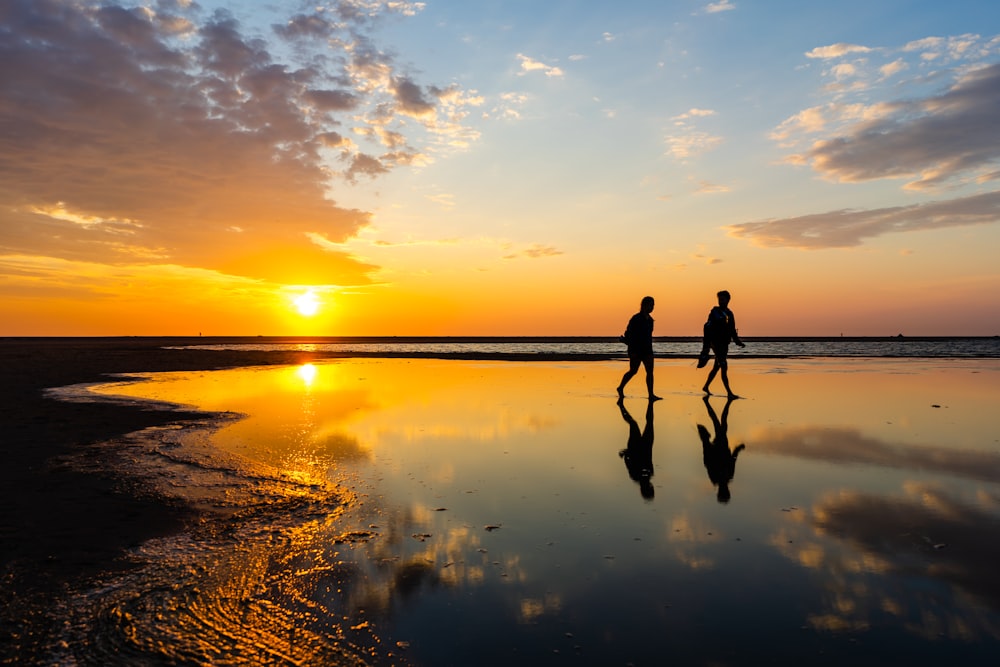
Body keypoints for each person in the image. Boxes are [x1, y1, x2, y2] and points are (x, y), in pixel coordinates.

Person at [697, 395, 745, 504]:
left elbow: (707, 461)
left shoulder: (716, 478)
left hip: (718, 446)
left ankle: (711, 402)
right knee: (721, 424)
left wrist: (706, 443)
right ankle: (722, 403)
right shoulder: (728, 476)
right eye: (726, 491)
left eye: (724, 491)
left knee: (719, 423)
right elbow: (733, 459)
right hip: (723, 445)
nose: (725, 489)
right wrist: (738, 448)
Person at [699, 290, 745, 398]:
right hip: (715, 343)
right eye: (719, 299)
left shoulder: (730, 313)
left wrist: (738, 341)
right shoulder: (714, 312)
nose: (721, 301)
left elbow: (732, 329)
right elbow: (707, 327)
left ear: (728, 300)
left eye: (723, 299)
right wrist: (706, 347)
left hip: (724, 344)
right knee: (723, 366)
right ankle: (729, 392)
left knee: (716, 367)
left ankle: (705, 386)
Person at [616, 296, 661, 400]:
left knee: (650, 372)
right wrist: (627, 342)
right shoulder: (635, 319)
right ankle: (620, 387)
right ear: (644, 305)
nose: (652, 307)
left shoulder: (650, 320)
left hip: (647, 350)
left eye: (653, 305)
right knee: (633, 371)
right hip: (636, 350)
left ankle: (651, 394)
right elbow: (629, 334)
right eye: (651, 305)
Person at [617, 397, 655, 501]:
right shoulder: (650, 473)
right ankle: (651, 403)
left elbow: (628, 460)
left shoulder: (636, 475)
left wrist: (626, 452)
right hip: (646, 445)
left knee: (634, 424)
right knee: (648, 422)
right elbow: (648, 457)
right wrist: (625, 453)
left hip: (637, 446)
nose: (651, 486)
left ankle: (621, 405)